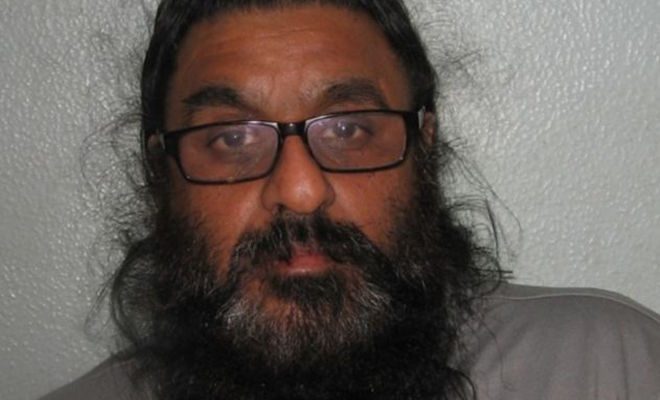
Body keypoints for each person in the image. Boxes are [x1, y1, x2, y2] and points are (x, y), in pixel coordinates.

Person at [40, 0, 660, 399]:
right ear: (161, 172)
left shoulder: (608, 367)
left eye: (348, 128)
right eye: (232, 137)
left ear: (424, 148)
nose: (300, 190)